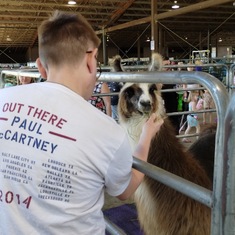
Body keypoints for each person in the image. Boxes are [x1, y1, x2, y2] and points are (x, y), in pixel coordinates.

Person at [0, 10, 163, 235]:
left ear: (40, 66)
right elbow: (126, 190)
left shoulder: (3, 100)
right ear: (90, 59)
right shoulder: (105, 130)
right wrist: (146, 137)